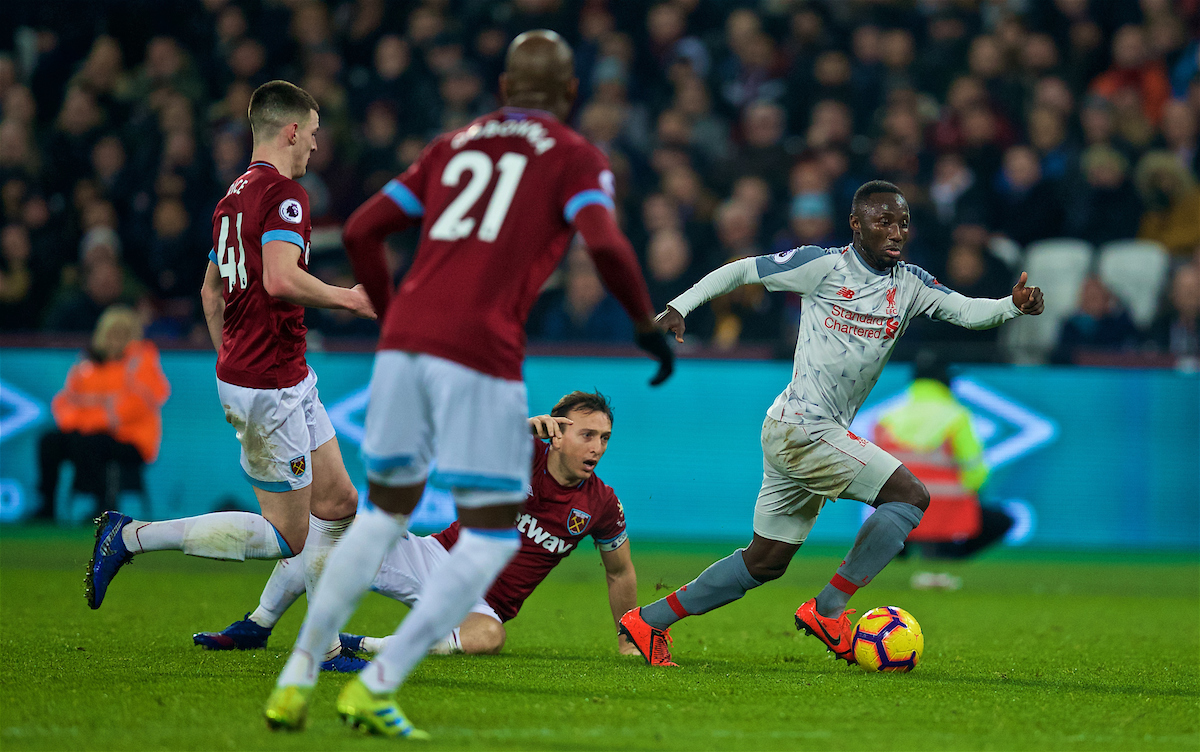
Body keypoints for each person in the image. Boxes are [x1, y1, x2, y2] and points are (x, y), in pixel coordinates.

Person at [266, 31, 673, 737]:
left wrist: (393, 311)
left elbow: (364, 228)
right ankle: (375, 685)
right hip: (481, 350)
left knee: (381, 513)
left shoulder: (453, 145)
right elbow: (604, 243)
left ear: (504, 89)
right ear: (570, 94)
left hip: (403, 345)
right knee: (487, 541)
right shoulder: (574, 156)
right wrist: (643, 324)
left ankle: (298, 676)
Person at [620, 179, 1043, 667]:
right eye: (883, 221)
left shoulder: (910, 283)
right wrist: (680, 306)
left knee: (765, 561)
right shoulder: (823, 266)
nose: (896, 232)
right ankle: (829, 609)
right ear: (856, 224)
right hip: (803, 428)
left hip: (802, 432)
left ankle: (648, 620)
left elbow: (968, 312)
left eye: (903, 222)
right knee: (910, 496)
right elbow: (743, 270)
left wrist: (1012, 306)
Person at [85, 82, 376, 674]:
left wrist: (229, 361)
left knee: (340, 501)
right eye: (314, 134)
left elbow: (210, 292)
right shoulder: (285, 195)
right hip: (268, 383)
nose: (316, 147)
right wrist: (348, 299)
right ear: (291, 130)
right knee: (289, 533)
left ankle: (300, 632)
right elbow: (280, 279)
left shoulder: (230, 199)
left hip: (279, 374)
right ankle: (131, 536)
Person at [195, 392, 638, 658]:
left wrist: (627, 636)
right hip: (435, 558)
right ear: (557, 433)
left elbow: (620, 571)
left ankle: (358, 645)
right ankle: (258, 623)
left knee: (490, 637)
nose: (597, 447)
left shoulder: (601, 504)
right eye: (587, 435)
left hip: (480, 605)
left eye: (605, 438)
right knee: (325, 537)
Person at [873, 349, 1013, 560]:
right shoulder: (957, 417)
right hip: (948, 517)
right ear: (946, 380)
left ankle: (899, 554)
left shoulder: (887, 418)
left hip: (901, 516)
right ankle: (949, 557)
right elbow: (976, 473)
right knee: (1003, 521)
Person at [37, 306, 169, 520]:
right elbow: (65, 403)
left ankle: (103, 509)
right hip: (89, 434)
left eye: (123, 333)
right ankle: (45, 508)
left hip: (130, 440)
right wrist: (85, 423)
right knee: (50, 441)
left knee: (93, 443)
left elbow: (136, 405)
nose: (115, 338)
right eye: (111, 332)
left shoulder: (141, 360)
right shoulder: (85, 364)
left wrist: (92, 421)